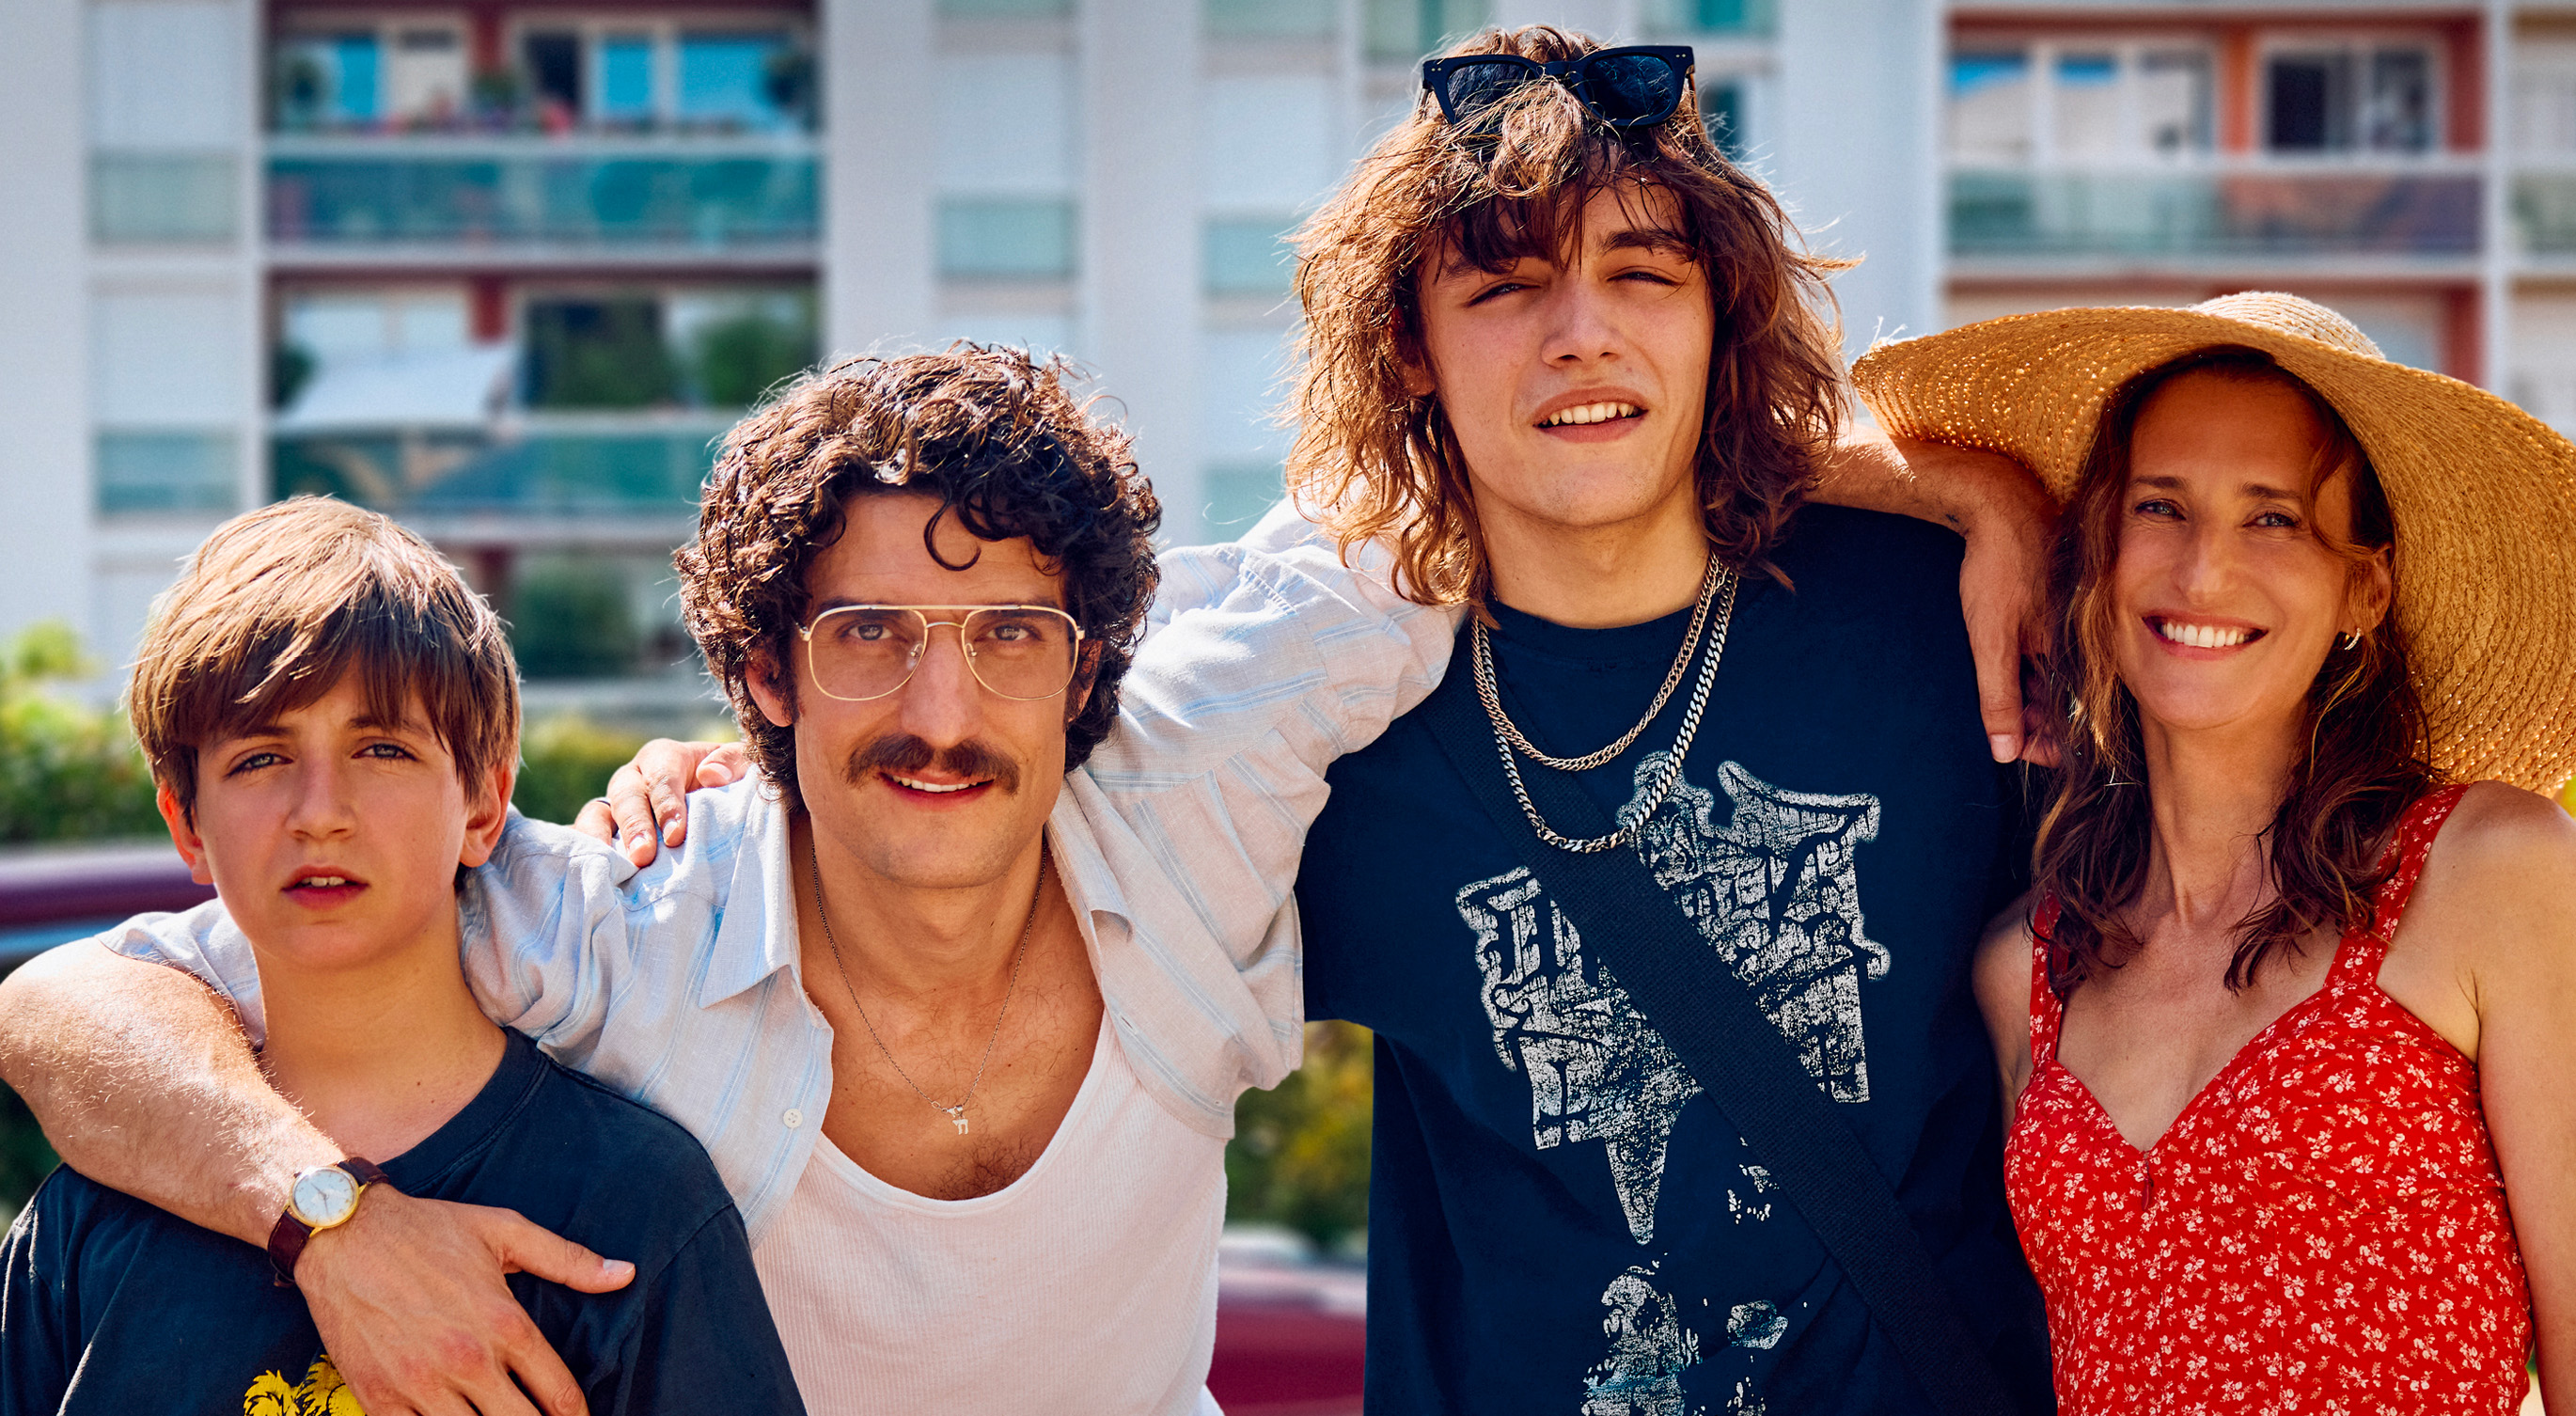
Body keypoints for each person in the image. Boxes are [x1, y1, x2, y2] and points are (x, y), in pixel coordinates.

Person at [0, 43, 2055, 1416]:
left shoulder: (1208, 783)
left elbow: (1573, 434)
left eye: (1004, 633)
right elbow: (74, 1005)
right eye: (865, 634)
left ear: (1092, 669)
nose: (938, 703)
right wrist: (328, 1216)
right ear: (761, 677)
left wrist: (1954, 483)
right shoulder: (630, 924)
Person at [1260, 26, 2060, 1413]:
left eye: (1643, 273)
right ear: (1407, 346)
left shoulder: (1942, 622)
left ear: (1718, 318)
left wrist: (1978, 489)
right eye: (1504, 286)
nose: (1583, 331)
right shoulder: (1338, 724)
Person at [1857, 292, 2576, 1413]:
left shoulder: (2488, 873)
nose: (2201, 572)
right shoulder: (2027, 970)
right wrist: (1977, 495)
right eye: (2160, 507)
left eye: (2272, 518)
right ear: (2096, 555)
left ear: (2364, 587)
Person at [0, 498, 804, 1415]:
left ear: (483, 806)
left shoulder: (635, 1203)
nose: (319, 812)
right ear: (186, 823)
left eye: (381, 748)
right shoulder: (93, 1219)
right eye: (260, 759)